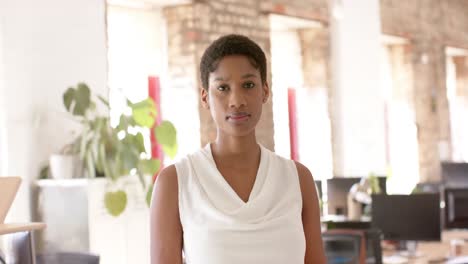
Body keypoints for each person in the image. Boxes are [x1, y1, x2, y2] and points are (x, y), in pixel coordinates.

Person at [150, 34, 326, 264]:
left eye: (248, 85)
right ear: (205, 97)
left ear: (265, 91)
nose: (236, 100)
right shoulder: (175, 182)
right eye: (223, 87)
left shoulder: (298, 179)